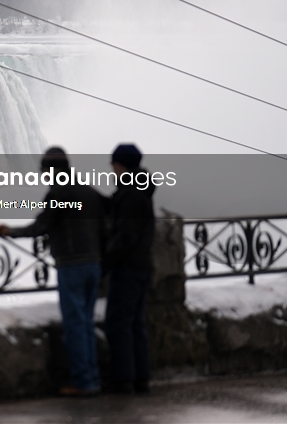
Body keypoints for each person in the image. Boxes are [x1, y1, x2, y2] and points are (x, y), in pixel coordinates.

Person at [0, 147, 106, 397]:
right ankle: (93, 376)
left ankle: (84, 382)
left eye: (44, 171)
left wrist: (8, 231)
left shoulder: (59, 194)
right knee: (86, 323)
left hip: (72, 265)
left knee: (76, 324)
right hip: (94, 265)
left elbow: (40, 227)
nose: (43, 176)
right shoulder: (89, 192)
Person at [103, 143, 156, 395]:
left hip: (128, 268)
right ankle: (140, 377)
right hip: (141, 266)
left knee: (119, 323)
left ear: (121, 164)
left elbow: (125, 236)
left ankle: (124, 379)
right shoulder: (139, 191)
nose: (111, 169)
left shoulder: (131, 195)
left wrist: (106, 263)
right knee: (135, 323)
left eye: (113, 164)